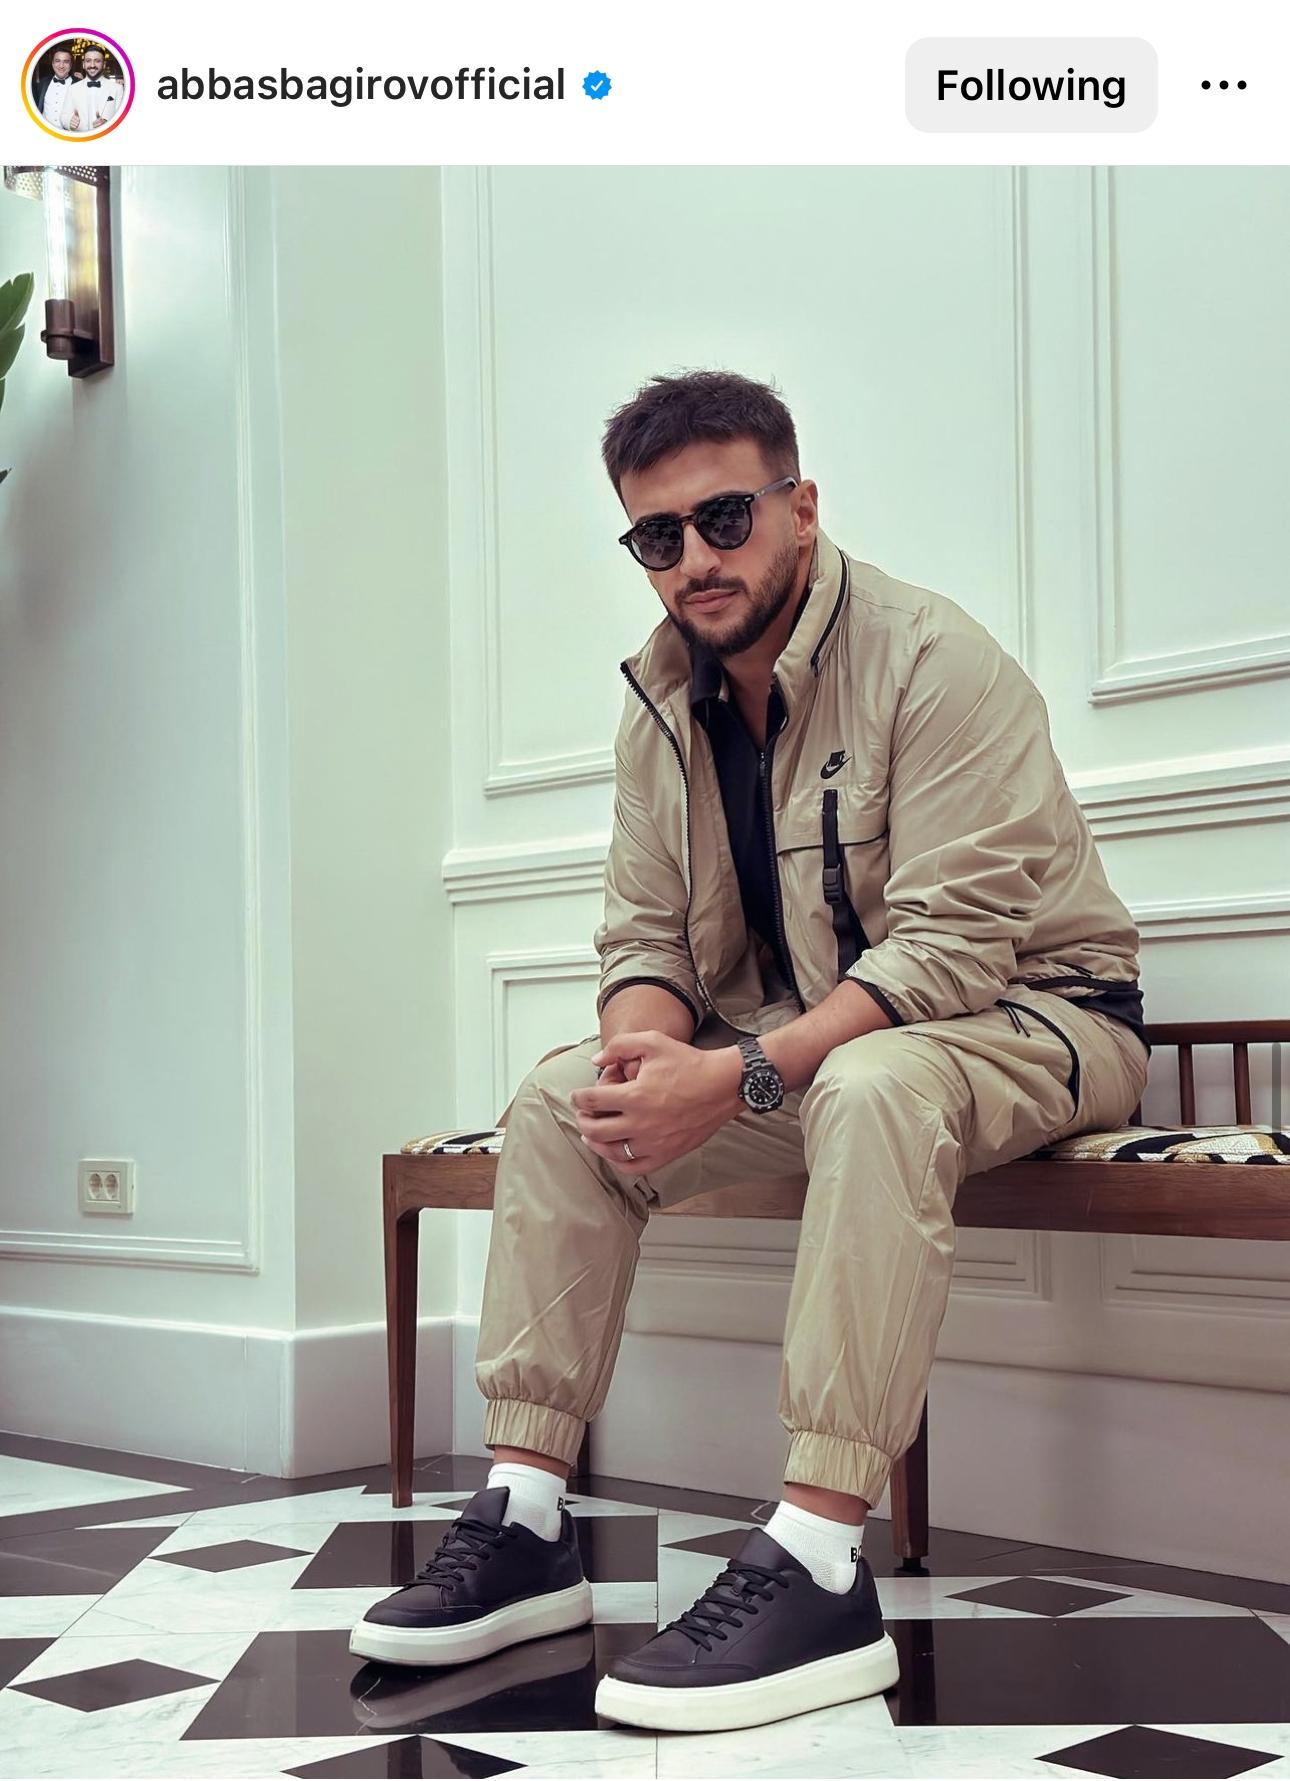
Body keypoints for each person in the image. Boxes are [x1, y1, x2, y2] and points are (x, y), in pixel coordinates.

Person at [350, 370, 1150, 1733]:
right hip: (826, 1044)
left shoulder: (933, 659)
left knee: (878, 1079)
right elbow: (644, 940)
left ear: (799, 507)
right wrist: (644, 1068)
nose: (695, 559)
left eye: (723, 518)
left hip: (1037, 1017)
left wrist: (737, 1073)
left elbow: (950, 953)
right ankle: (527, 1515)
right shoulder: (663, 700)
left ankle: (821, 1557)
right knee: (562, 1097)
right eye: (657, 536)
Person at [59, 44, 123, 134]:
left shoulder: (117, 89)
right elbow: (64, 117)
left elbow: (122, 119)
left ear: (104, 64)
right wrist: (70, 122)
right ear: (83, 64)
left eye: (97, 61)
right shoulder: (72, 89)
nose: (92, 65)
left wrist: (107, 124)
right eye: (88, 61)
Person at [33, 46, 75, 128]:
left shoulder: (79, 85)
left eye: (66, 62)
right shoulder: (42, 83)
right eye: (57, 61)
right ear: (52, 63)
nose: (61, 66)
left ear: (71, 65)